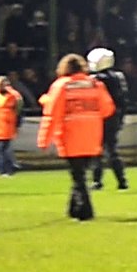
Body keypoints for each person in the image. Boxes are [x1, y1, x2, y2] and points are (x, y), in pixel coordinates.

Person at [37, 54, 115, 221]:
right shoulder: (95, 84)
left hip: (70, 135)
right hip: (92, 135)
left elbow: (52, 114)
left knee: (77, 175)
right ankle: (73, 209)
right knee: (80, 173)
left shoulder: (61, 86)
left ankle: (86, 211)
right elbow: (108, 109)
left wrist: (44, 139)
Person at [87, 47, 128, 191]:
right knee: (112, 150)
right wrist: (121, 117)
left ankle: (97, 181)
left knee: (98, 151)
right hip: (114, 117)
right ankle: (122, 181)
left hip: (99, 117)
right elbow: (123, 100)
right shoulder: (118, 77)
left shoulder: (95, 80)